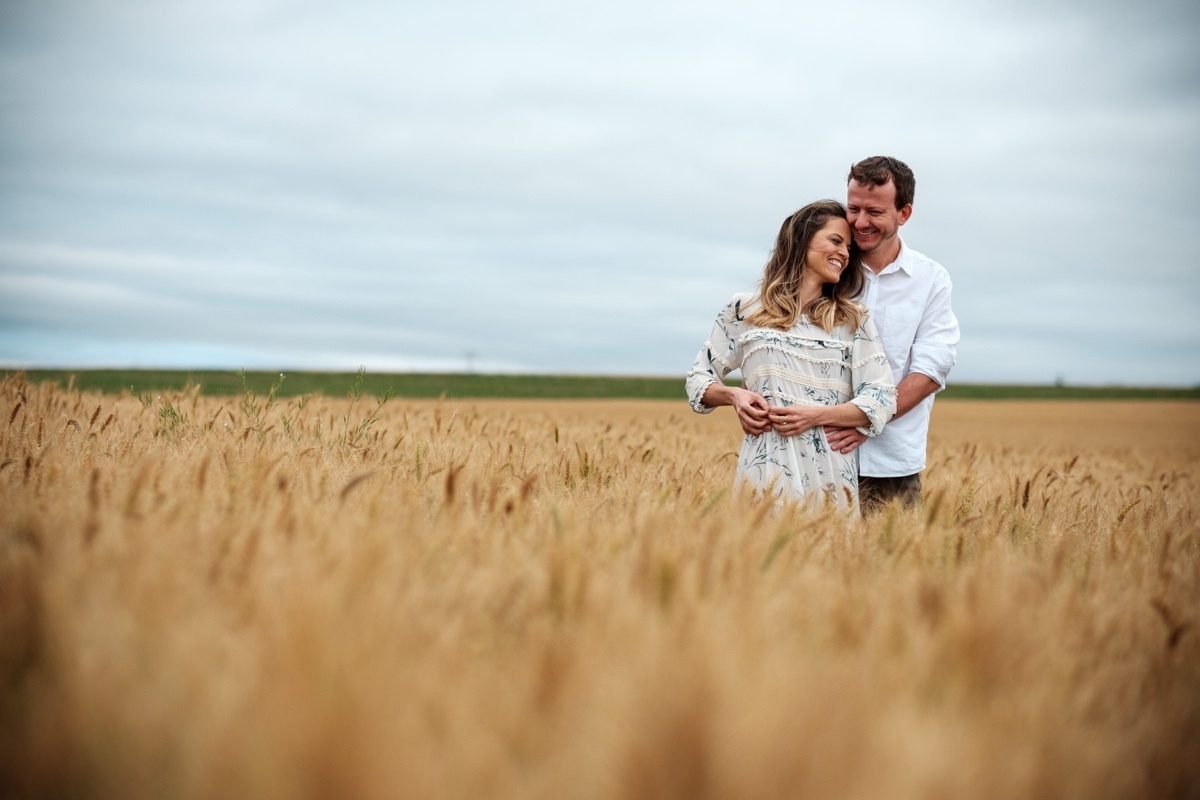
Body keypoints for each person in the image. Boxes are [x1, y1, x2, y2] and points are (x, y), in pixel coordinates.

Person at [686, 200, 897, 511]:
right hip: (763, 473)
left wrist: (816, 416)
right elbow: (698, 379)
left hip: (830, 477)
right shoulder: (744, 309)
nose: (844, 253)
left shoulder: (853, 319)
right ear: (801, 239)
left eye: (849, 248)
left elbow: (882, 398)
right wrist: (734, 397)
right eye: (835, 241)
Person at [822, 156, 960, 511]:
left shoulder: (931, 279)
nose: (860, 222)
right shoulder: (823, 267)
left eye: (875, 212)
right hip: (818, 453)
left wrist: (867, 419)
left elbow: (930, 371)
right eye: (853, 208)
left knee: (892, 564)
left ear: (904, 214)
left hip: (892, 463)